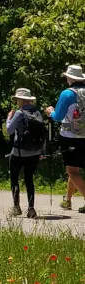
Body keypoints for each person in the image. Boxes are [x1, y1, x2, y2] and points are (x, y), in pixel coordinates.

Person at [46, 64, 85, 212]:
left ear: (70, 78)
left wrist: (50, 112)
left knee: (72, 170)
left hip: (70, 136)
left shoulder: (67, 94)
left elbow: (58, 116)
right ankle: (67, 200)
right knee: (74, 169)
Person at [7, 88, 46, 218]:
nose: (16, 102)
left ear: (21, 100)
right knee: (29, 179)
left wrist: (8, 118)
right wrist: (42, 151)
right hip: (35, 152)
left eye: (17, 99)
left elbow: (9, 130)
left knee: (14, 178)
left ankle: (16, 207)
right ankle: (31, 209)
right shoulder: (38, 113)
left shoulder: (19, 113)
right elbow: (42, 134)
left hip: (18, 152)